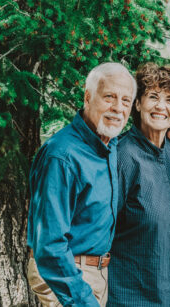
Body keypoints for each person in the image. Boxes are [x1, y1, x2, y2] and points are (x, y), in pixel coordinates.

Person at [26, 62, 137, 307]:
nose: (118, 108)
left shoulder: (108, 145)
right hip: (66, 275)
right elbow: (50, 245)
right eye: (110, 97)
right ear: (88, 97)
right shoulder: (62, 156)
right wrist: (81, 300)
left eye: (126, 101)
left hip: (95, 273)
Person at [107, 63, 170, 307]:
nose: (160, 106)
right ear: (137, 104)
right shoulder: (122, 157)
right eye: (153, 97)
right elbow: (100, 232)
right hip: (131, 296)